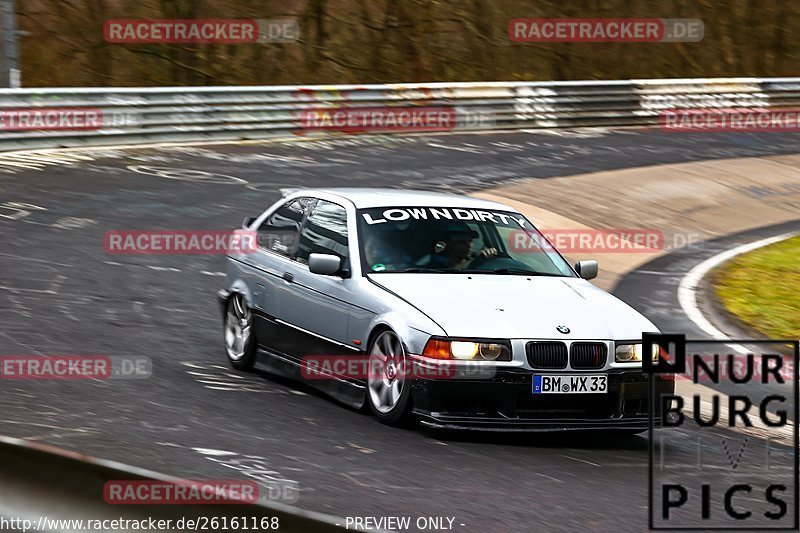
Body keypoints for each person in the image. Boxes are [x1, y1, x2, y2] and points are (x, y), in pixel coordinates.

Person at [420, 220, 497, 269]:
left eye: (470, 241)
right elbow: (449, 271)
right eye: (461, 242)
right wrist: (477, 261)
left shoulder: (476, 257)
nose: (468, 245)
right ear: (446, 244)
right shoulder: (433, 265)